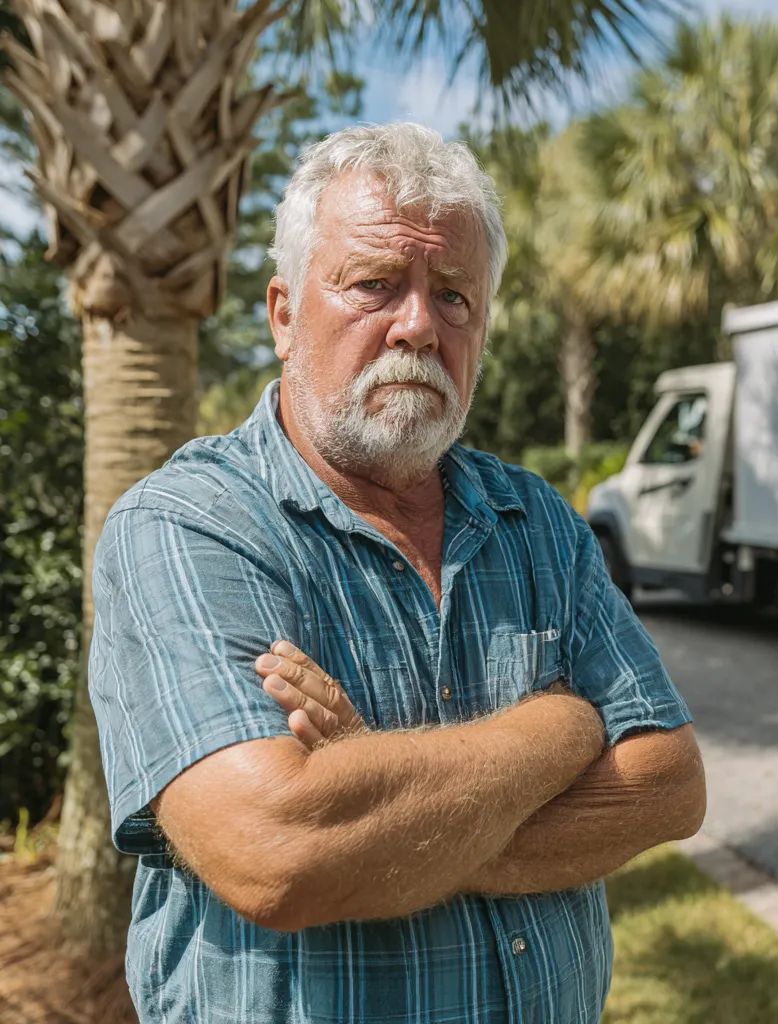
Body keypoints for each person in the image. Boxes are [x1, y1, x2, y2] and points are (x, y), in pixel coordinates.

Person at [90, 122, 706, 1024]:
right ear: (284, 314)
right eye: (375, 283)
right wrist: (566, 726)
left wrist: (389, 818)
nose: (419, 324)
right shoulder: (189, 525)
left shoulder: (536, 522)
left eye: (454, 295)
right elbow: (277, 851)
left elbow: (671, 784)